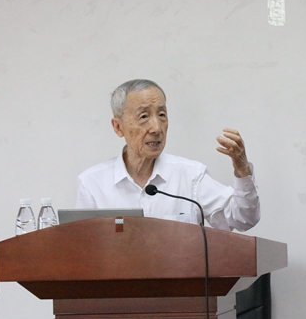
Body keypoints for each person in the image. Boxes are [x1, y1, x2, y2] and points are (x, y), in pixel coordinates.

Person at [75, 79, 259, 232]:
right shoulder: (92, 183)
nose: (156, 128)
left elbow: (243, 219)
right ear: (118, 127)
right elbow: (81, 247)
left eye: (162, 115)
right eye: (144, 117)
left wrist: (242, 169)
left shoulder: (191, 175)